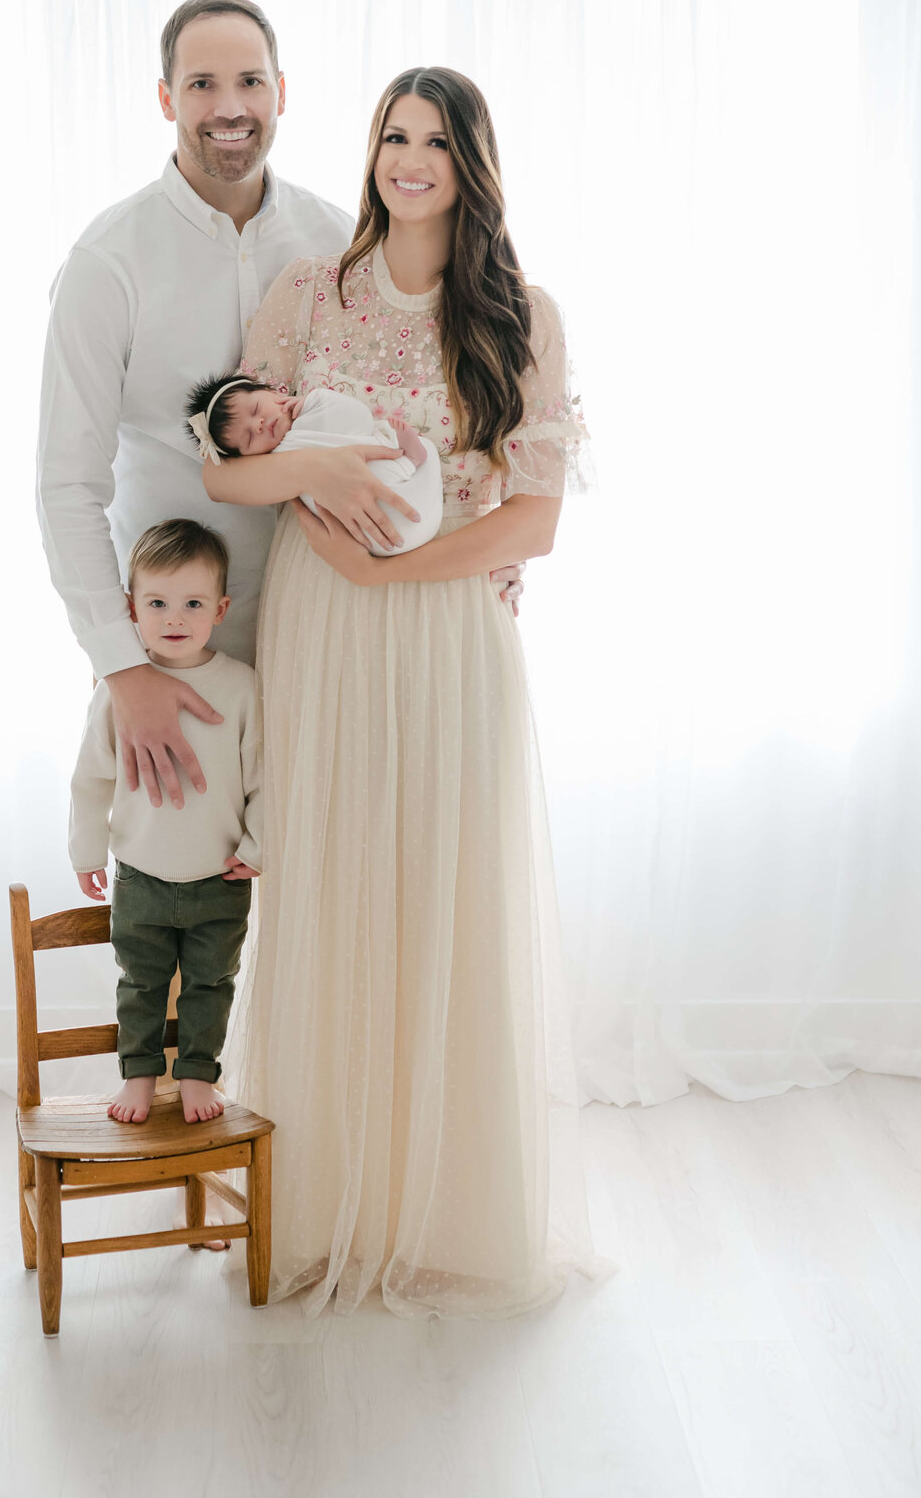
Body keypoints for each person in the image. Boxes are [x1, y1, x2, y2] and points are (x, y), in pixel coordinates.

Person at [206, 66, 610, 1318]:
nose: (409, 157)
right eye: (394, 133)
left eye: (435, 139)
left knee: (445, 899)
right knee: (330, 892)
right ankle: (328, 1202)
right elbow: (229, 474)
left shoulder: (523, 316)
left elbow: (534, 525)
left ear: (471, 163)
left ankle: (447, 1207)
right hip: (323, 630)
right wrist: (319, 486)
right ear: (371, 147)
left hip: (444, 633)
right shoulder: (308, 294)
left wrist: (397, 571)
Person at [38, 0, 385, 811]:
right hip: (171, 653)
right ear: (165, 98)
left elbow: (404, 413)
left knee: (318, 902)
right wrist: (125, 671)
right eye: (201, 85)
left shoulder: (343, 243)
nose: (230, 108)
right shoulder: (106, 262)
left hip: (329, 629)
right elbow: (67, 484)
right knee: (179, 921)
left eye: (250, 82)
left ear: (281, 91)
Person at [68, 520, 261, 1128]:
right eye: (156, 603)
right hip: (140, 875)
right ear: (131, 609)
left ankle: (200, 1073)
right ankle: (139, 1075)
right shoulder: (116, 692)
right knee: (140, 984)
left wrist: (261, 845)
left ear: (221, 609)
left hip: (220, 876)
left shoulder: (241, 688)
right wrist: (86, 852)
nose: (174, 617)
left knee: (212, 985)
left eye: (193, 603)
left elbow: (266, 777)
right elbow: (91, 778)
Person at [183, 371, 443, 556]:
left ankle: (410, 460)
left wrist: (312, 401)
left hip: (407, 504)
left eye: (255, 410)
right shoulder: (277, 459)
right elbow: (221, 479)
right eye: (249, 438)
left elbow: (358, 418)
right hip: (361, 538)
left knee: (384, 452)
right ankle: (410, 460)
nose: (259, 424)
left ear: (272, 390)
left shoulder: (311, 409)